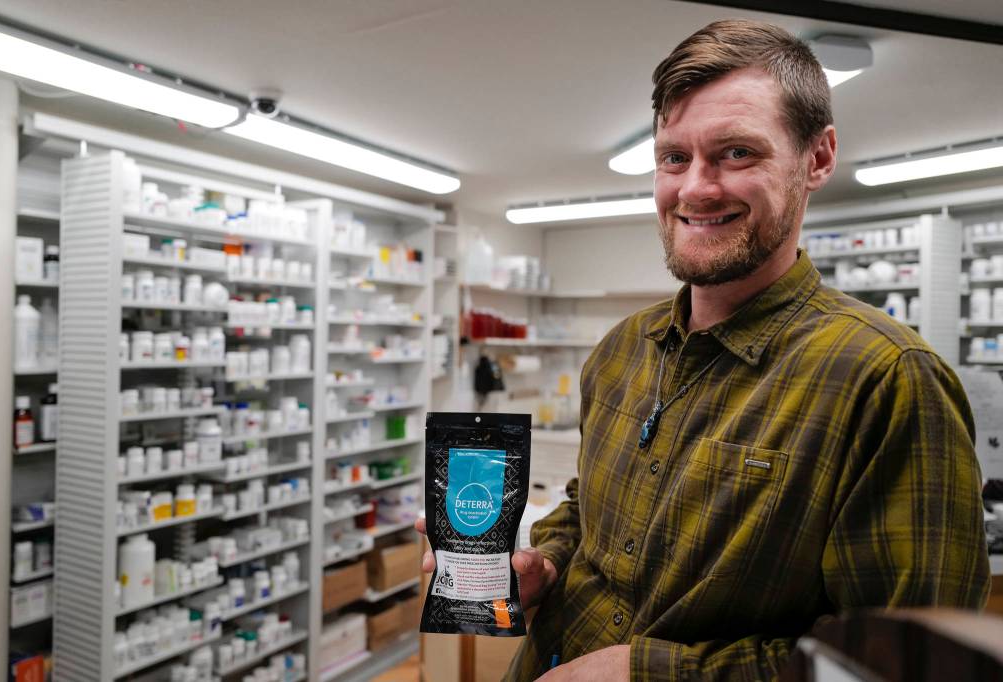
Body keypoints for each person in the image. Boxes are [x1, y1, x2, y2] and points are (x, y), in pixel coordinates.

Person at [418, 18, 991, 681]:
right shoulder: (621, 351)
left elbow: (904, 666)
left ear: (818, 158)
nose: (695, 188)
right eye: (673, 158)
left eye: (737, 153)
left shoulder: (886, 380)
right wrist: (541, 563)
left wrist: (651, 673)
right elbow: (586, 506)